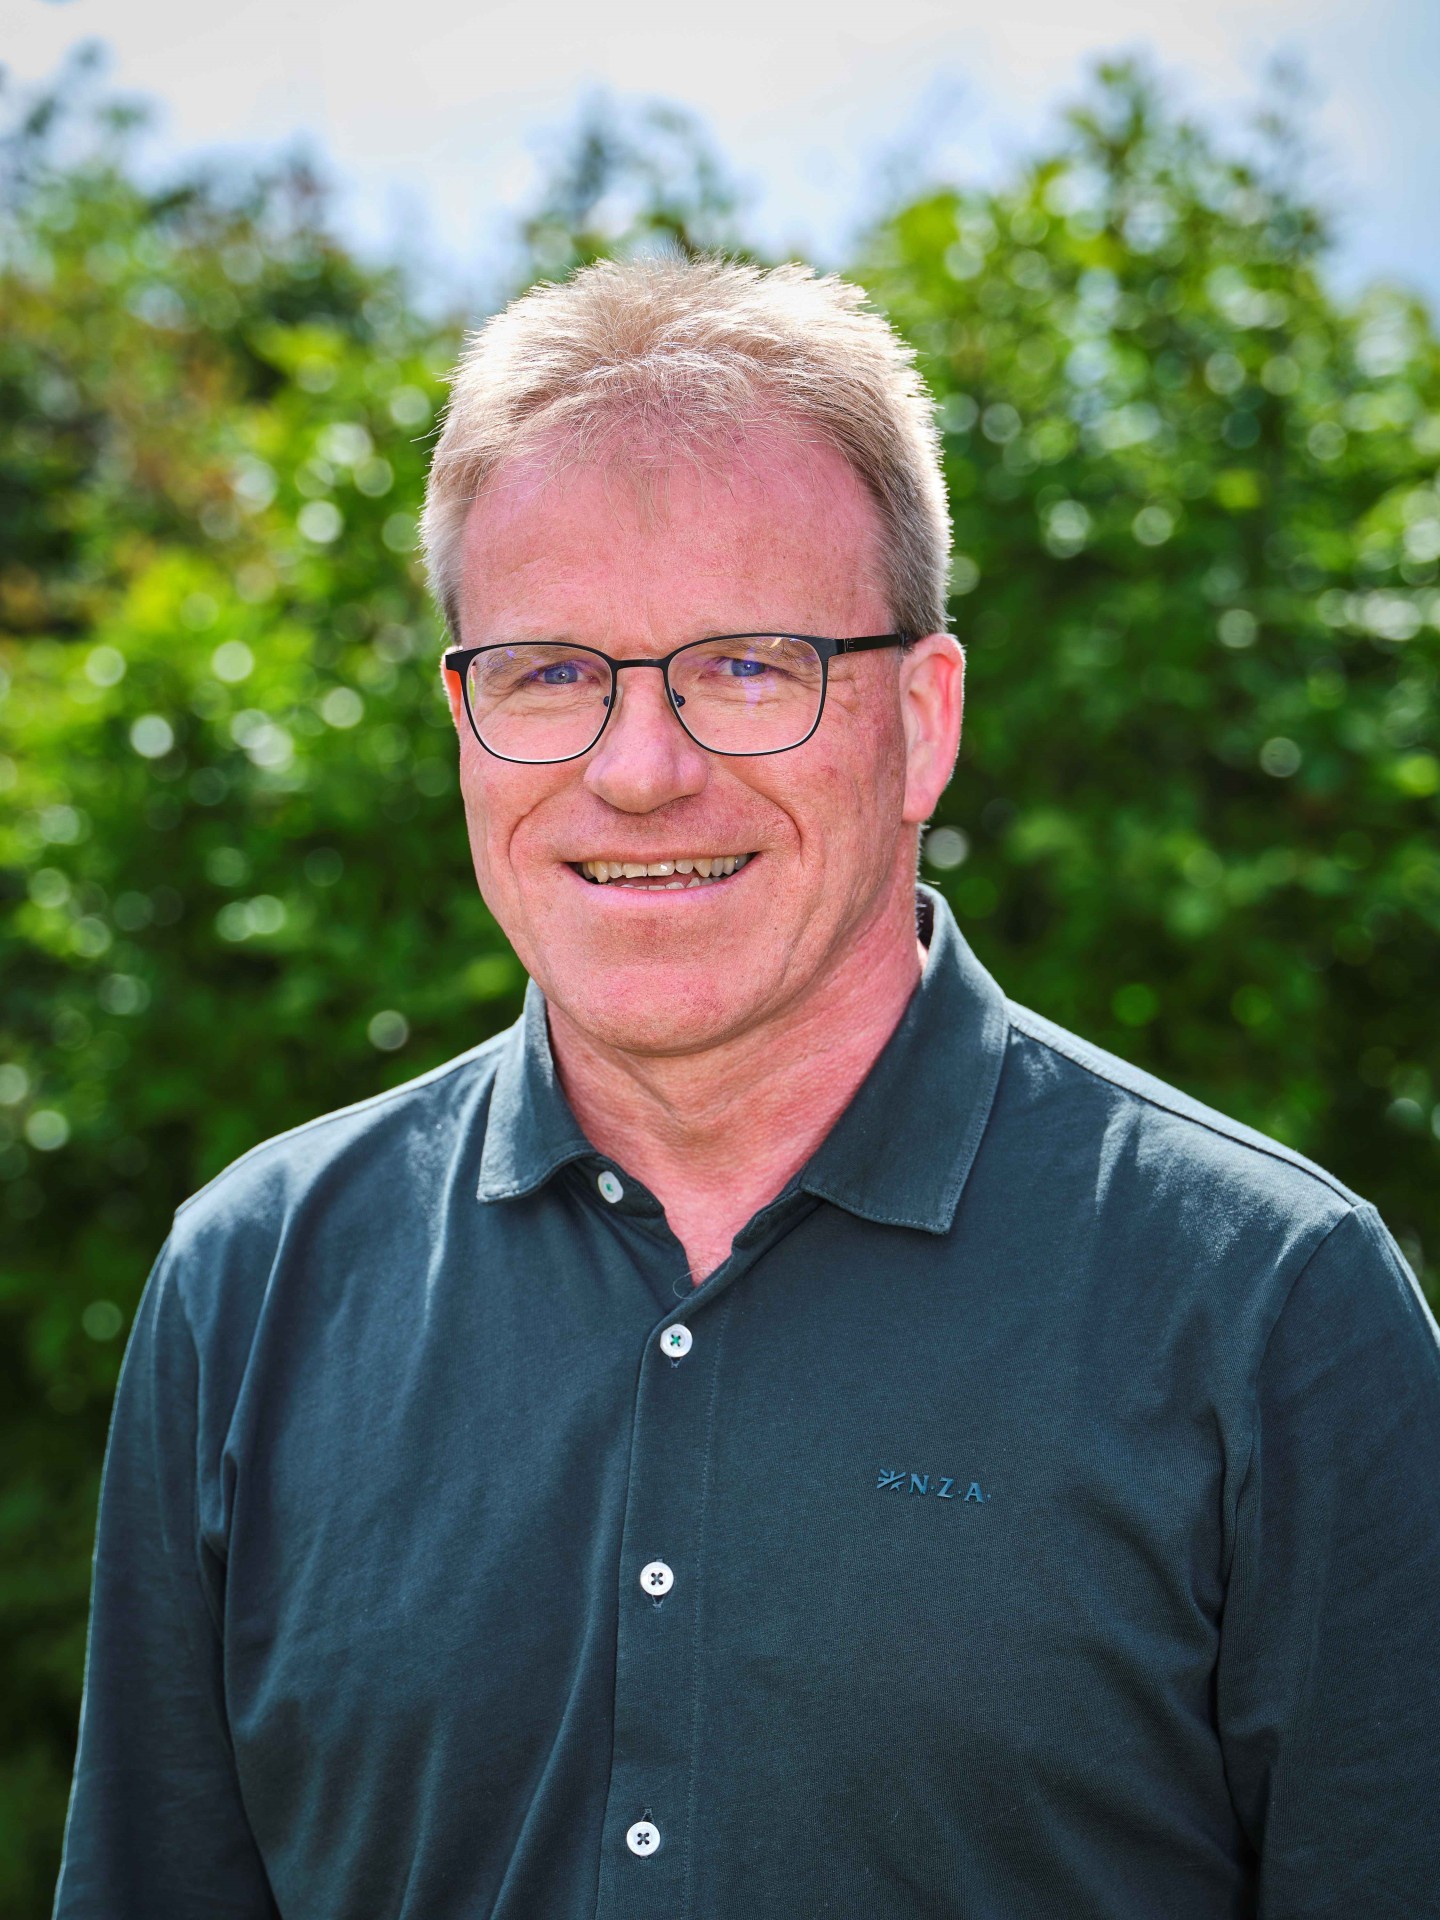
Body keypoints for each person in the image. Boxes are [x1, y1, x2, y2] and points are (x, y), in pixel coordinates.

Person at [55, 257, 1440, 1919]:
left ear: (924, 720)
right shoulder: (249, 1286)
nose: (640, 771)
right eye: (550, 672)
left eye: (750, 667)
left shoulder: (1276, 1310)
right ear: (461, 721)